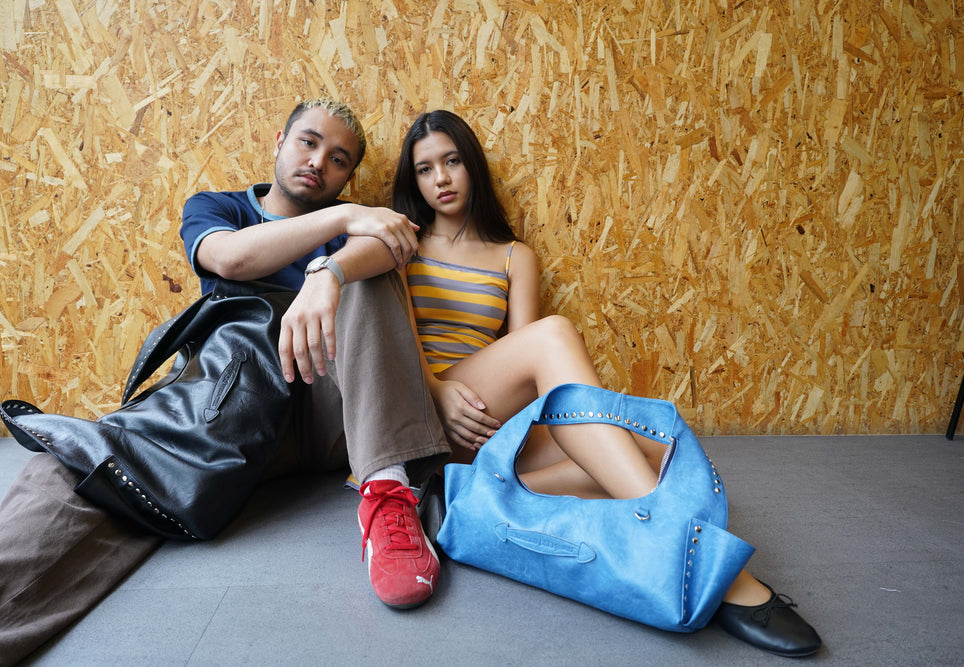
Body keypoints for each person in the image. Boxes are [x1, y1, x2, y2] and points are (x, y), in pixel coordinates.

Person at [0, 98, 451, 666]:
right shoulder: (220, 206)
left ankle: (387, 494)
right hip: (233, 403)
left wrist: (329, 271)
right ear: (279, 141)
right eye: (309, 142)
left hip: (332, 410)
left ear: (348, 177)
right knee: (85, 468)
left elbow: (388, 246)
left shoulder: (359, 227)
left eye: (339, 159)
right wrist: (342, 221)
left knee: (371, 269)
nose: (319, 162)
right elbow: (231, 260)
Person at [390, 109, 823, 658]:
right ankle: (725, 576)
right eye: (425, 169)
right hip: (430, 409)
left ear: (471, 165)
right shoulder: (402, 242)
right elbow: (393, 341)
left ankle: (475, 496)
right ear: (414, 180)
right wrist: (437, 389)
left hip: (490, 422)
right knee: (556, 335)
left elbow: (528, 373)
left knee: (657, 450)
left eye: (452, 161)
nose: (441, 178)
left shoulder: (515, 257)